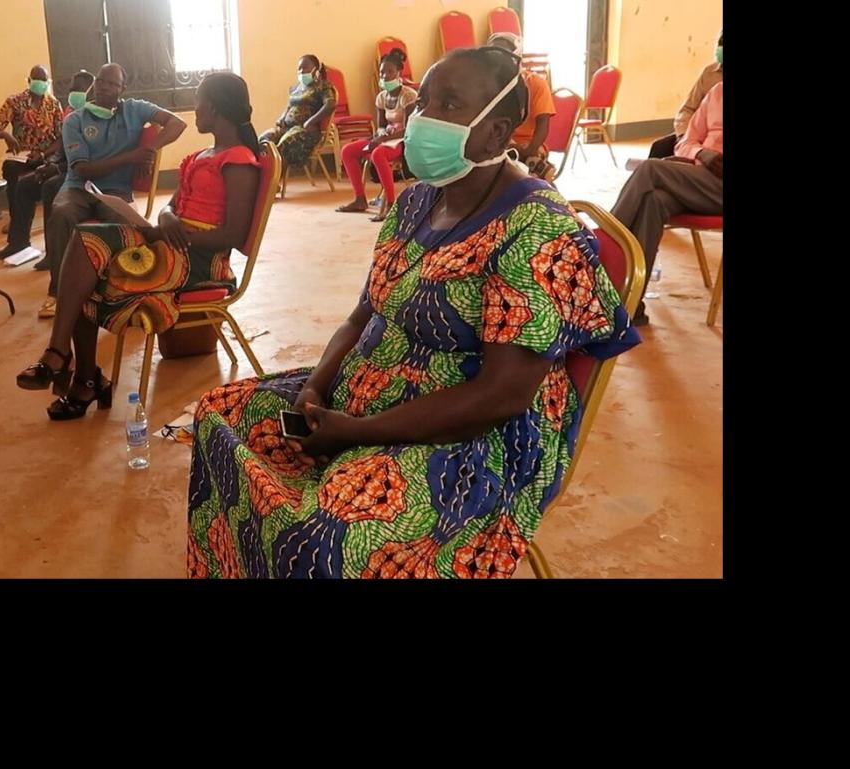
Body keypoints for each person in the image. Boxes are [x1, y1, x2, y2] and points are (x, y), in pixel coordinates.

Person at [185, 46, 641, 579]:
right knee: (220, 413)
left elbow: (501, 396)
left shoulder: (538, 230)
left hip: (470, 437)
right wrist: (315, 387)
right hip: (365, 396)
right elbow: (363, 314)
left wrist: (357, 432)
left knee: (325, 536)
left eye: (448, 104)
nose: (423, 117)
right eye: (423, 101)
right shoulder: (416, 201)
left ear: (496, 133)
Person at [16, 72, 261, 420]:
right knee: (83, 265)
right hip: (173, 246)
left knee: (87, 247)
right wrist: (166, 218)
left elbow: (233, 235)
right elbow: (170, 206)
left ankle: (69, 364)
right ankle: (79, 373)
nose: (195, 108)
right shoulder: (200, 155)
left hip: (198, 262)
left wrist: (172, 235)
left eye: (199, 100)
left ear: (216, 107)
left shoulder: (238, 160)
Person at [35, 63, 187, 317]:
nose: (104, 87)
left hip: (116, 191)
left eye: (112, 83)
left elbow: (177, 124)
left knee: (127, 223)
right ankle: (58, 292)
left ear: (122, 88)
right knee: (61, 214)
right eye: (101, 81)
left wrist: (149, 149)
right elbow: (83, 169)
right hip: (78, 187)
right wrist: (132, 157)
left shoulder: (135, 109)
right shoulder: (75, 119)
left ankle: (120, 292)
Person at [610, 81, 722, 325]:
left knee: (650, 169)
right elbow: (685, 142)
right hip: (701, 177)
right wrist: (701, 153)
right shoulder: (716, 93)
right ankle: (630, 304)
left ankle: (603, 243)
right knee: (653, 202)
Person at [0, 70, 95, 263]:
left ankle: (53, 253)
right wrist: (51, 163)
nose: (73, 94)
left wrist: (55, 167)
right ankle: (18, 243)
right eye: (72, 90)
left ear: (92, 93)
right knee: (24, 186)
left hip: (81, 173)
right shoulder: (70, 113)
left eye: (79, 91)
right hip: (57, 164)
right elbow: (63, 146)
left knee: (50, 186)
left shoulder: (94, 118)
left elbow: (88, 157)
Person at [336, 49, 417, 221]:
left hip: (403, 140)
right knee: (348, 151)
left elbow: (409, 129)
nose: (385, 76)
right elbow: (381, 125)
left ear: (399, 72)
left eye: (390, 72)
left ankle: (390, 204)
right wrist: (379, 135)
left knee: (378, 154)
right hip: (387, 138)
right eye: (382, 72)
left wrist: (383, 139)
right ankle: (360, 199)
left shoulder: (408, 95)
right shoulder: (381, 97)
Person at [0, 65, 64, 238]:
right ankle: (17, 222)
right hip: (21, 155)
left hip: (46, 155)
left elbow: (61, 138)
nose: (40, 83)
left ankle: (50, 222)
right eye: (36, 79)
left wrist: (43, 154)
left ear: (48, 82)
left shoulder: (54, 105)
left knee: (53, 173)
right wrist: (5, 135)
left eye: (43, 80)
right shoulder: (14, 102)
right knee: (11, 169)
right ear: (29, 81)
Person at [487, 32, 555, 179]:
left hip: (529, 143)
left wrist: (529, 149)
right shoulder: (485, 85)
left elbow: (543, 124)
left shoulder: (536, 83)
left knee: (535, 173)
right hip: (496, 142)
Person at [647, 31, 721, 160]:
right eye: (720, 43)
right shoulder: (709, 73)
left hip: (714, 140)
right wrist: (684, 136)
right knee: (659, 148)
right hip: (695, 133)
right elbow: (687, 109)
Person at [259, 54, 337, 171]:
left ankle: (274, 177)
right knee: (264, 140)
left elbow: (330, 104)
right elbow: (289, 106)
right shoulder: (296, 89)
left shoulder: (323, 86)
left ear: (315, 69)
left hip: (306, 130)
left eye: (305, 68)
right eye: (299, 68)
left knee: (284, 144)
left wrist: (311, 122)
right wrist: (282, 118)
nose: (301, 71)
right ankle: (261, 175)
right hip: (287, 127)